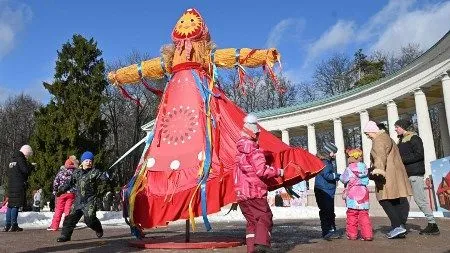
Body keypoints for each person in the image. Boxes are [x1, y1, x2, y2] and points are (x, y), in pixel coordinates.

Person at [234, 114, 284, 253]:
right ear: (254, 134)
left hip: (242, 195)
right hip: (254, 192)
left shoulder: (239, 153)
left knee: (252, 223)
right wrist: (278, 172)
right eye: (257, 134)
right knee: (265, 217)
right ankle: (261, 247)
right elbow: (261, 171)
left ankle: (251, 249)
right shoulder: (255, 152)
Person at [363, 121, 412, 239]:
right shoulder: (387, 138)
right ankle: (400, 226)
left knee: (383, 199)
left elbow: (379, 155)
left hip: (387, 175)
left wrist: (378, 170)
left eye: (367, 133)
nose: (368, 136)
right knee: (395, 200)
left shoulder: (379, 140)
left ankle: (397, 226)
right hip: (394, 173)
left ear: (373, 131)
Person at [395, 119, 439, 235]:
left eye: (397, 127)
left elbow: (419, 155)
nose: (395, 129)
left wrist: (401, 160)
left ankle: (432, 224)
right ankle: (401, 225)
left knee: (420, 200)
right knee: (403, 201)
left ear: (403, 127)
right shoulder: (401, 141)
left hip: (415, 174)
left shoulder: (415, 138)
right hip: (405, 175)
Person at [56, 151, 110, 242]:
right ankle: (65, 235)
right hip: (78, 200)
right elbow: (69, 183)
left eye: (90, 161)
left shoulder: (95, 172)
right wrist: (62, 189)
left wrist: (107, 176)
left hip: (89, 200)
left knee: (90, 220)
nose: (88, 162)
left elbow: (103, 179)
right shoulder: (77, 173)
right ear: (82, 162)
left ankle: (98, 228)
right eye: (86, 160)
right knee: (70, 218)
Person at [339, 148, 373, 241]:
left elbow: (343, 179)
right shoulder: (365, 167)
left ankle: (352, 235)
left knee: (352, 215)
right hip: (363, 193)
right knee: (364, 215)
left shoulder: (349, 168)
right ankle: (367, 235)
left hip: (352, 194)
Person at [4, 144, 34, 232]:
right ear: (26, 153)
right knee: (15, 205)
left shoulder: (12, 159)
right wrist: (31, 167)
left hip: (11, 185)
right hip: (18, 185)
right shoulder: (21, 159)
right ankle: (14, 225)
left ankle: (7, 225)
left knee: (10, 205)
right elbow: (25, 171)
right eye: (27, 156)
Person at [314, 142, 341, 240]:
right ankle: (327, 231)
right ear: (329, 152)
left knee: (328, 211)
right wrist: (338, 176)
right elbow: (327, 175)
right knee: (327, 211)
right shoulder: (325, 162)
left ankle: (330, 230)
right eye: (334, 152)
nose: (335, 154)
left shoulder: (325, 161)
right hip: (324, 191)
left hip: (325, 190)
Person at [47, 156, 78, 231]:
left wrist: (54, 191)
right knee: (68, 210)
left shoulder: (61, 173)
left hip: (61, 193)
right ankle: (67, 226)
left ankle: (54, 226)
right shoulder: (75, 173)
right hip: (71, 194)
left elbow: (55, 183)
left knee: (59, 210)